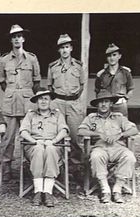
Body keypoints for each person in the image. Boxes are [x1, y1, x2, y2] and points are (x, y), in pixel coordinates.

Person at [78, 89, 138, 203]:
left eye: (106, 101)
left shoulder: (118, 117)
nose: (103, 104)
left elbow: (134, 130)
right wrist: (98, 134)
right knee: (96, 156)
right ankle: (105, 189)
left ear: (111, 103)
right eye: (101, 102)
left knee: (129, 156)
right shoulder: (91, 117)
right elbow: (81, 131)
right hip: (100, 148)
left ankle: (117, 189)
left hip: (118, 148)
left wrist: (120, 135)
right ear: (97, 105)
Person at [0, 24, 41, 181]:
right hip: (10, 101)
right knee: (8, 137)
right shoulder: (3, 60)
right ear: (11, 40)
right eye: (14, 37)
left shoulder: (32, 58)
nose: (17, 39)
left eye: (19, 36)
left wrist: (25, 93)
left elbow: (36, 81)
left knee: (28, 135)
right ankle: (6, 166)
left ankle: (28, 165)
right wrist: (13, 92)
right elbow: (2, 82)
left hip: (27, 101)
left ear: (23, 38)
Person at [19, 88, 69, 207]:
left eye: (46, 98)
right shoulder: (30, 115)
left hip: (53, 145)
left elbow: (64, 130)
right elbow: (23, 132)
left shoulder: (57, 114)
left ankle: (47, 191)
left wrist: (54, 141)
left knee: (50, 150)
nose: (43, 101)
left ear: (50, 100)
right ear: (36, 101)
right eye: (40, 99)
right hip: (34, 146)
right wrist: (35, 141)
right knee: (39, 150)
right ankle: (38, 191)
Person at [47, 34, 85, 166]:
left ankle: (76, 168)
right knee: (57, 135)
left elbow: (81, 86)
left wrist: (72, 98)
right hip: (58, 102)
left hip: (74, 103)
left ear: (71, 48)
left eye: (67, 47)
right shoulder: (53, 67)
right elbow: (50, 86)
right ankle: (59, 166)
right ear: (58, 50)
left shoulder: (78, 66)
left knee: (75, 137)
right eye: (62, 47)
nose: (64, 50)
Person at [95, 43, 134, 117]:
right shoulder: (101, 74)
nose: (112, 58)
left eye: (114, 55)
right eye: (109, 56)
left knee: (121, 126)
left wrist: (125, 98)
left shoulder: (125, 72)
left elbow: (130, 88)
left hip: (120, 105)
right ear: (106, 58)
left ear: (119, 56)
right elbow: (97, 91)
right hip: (106, 106)